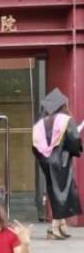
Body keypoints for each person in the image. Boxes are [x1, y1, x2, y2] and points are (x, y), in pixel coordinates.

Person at [32, 88, 82, 239]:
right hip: (62, 160)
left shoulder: (40, 124)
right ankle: (54, 227)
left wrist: (45, 159)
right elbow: (74, 139)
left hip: (46, 161)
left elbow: (35, 147)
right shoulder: (65, 119)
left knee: (54, 191)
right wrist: (76, 150)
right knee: (62, 193)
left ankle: (61, 224)